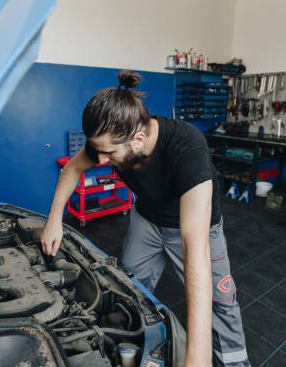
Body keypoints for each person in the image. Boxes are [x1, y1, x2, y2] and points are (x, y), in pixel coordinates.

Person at [40, 70, 250, 367]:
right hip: (147, 220)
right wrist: (54, 221)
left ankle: (234, 362)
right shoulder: (109, 140)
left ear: (138, 139)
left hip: (194, 230)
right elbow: (71, 169)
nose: (100, 161)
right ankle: (134, 349)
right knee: (129, 288)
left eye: (108, 153)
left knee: (220, 301)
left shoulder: (187, 148)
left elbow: (196, 250)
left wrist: (198, 355)